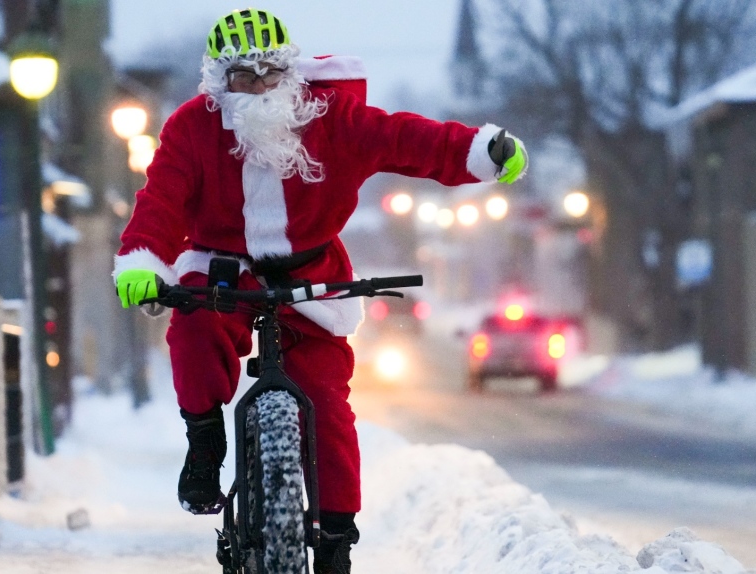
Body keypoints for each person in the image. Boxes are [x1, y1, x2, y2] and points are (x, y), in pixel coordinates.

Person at [112, 8, 527, 573]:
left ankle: (335, 536)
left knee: (327, 402)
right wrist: (143, 260)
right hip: (223, 266)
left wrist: (480, 152)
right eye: (243, 75)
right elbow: (161, 199)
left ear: (292, 72)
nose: (259, 86)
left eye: (271, 73)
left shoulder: (332, 119)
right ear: (219, 79)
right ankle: (205, 441)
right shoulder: (192, 126)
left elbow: (405, 139)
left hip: (313, 272)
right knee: (195, 328)